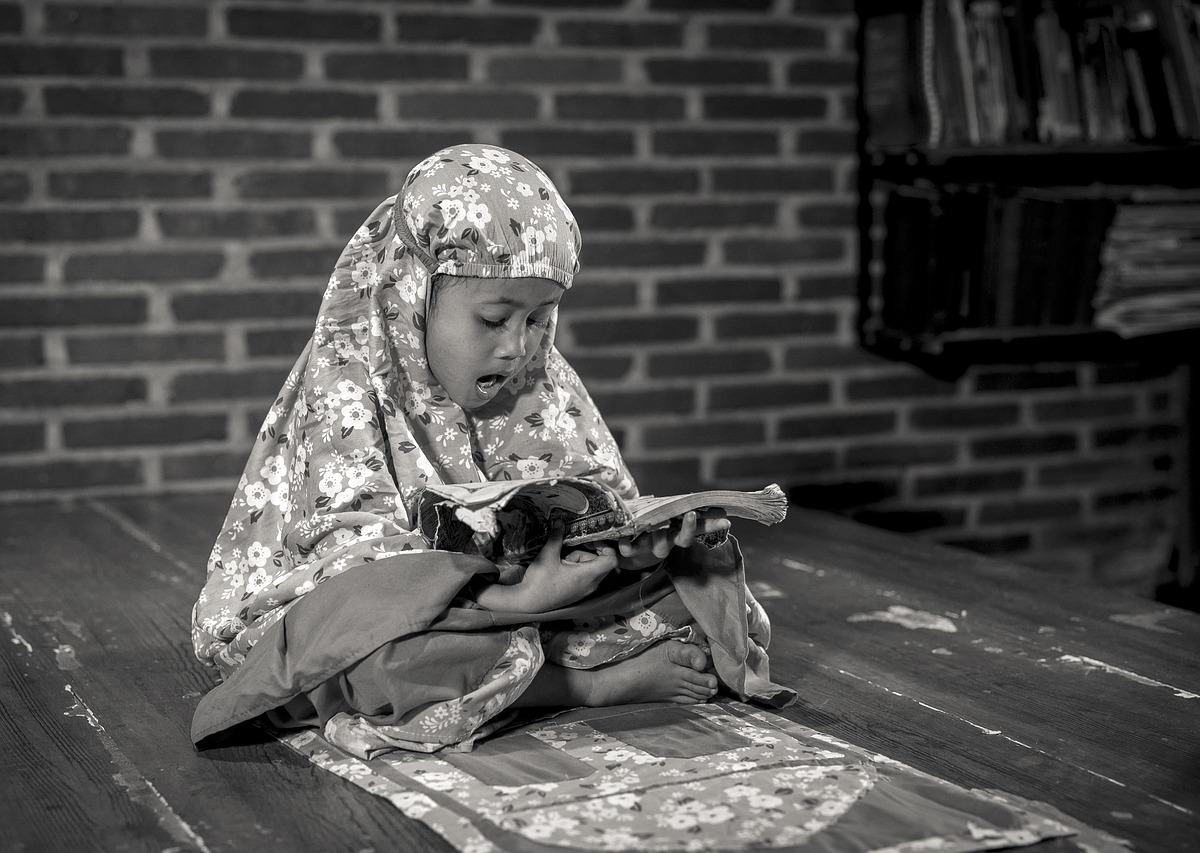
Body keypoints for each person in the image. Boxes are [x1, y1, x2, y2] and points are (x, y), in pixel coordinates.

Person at [189, 144, 791, 758]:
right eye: (494, 320)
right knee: (378, 658)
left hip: (535, 599)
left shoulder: (540, 379)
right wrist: (513, 601)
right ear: (413, 293)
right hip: (409, 614)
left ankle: (522, 664)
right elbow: (356, 572)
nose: (518, 348)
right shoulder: (347, 380)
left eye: (540, 319)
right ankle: (582, 686)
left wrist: (636, 547)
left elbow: (591, 495)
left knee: (708, 594)